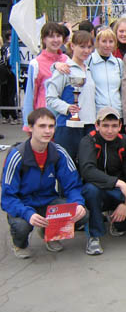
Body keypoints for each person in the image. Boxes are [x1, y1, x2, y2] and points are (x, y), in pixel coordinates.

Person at [1, 108, 88, 258]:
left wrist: (78, 203)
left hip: (48, 201)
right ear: (30, 128)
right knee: (21, 226)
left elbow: (73, 185)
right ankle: (20, 243)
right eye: (42, 126)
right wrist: (28, 214)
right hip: (23, 204)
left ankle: (49, 232)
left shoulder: (59, 153)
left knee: (83, 214)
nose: (47, 131)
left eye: (51, 126)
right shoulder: (17, 155)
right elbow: (7, 198)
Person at [79, 107, 126, 255]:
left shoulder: (125, 142)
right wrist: (118, 183)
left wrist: (124, 203)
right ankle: (94, 236)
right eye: (105, 125)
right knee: (90, 190)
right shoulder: (88, 141)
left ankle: (117, 224)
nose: (110, 130)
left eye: (114, 126)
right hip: (98, 189)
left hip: (119, 192)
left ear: (120, 126)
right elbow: (88, 171)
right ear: (97, 125)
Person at [45, 30, 96, 161]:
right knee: (67, 164)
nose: (86, 51)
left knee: (86, 165)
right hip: (68, 126)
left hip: (89, 125)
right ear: (72, 46)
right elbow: (50, 98)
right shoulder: (64, 69)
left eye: (89, 47)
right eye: (82, 46)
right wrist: (67, 107)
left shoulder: (89, 70)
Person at [22, 22, 68, 131]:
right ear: (44, 39)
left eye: (58, 36)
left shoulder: (67, 60)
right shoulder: (36, 63)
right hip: (43, 118)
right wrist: (27, 124)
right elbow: (30, 95)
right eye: (51, 36)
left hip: (64, 118)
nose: (55, 40)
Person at [1, 32, 18, 125]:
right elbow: (9, 59)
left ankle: (5, 116)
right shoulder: (12, 47)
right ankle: (14, 116)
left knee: (4, 94)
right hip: (11, 72)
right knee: (11, 95)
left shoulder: (3, 47)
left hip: (3, 72)